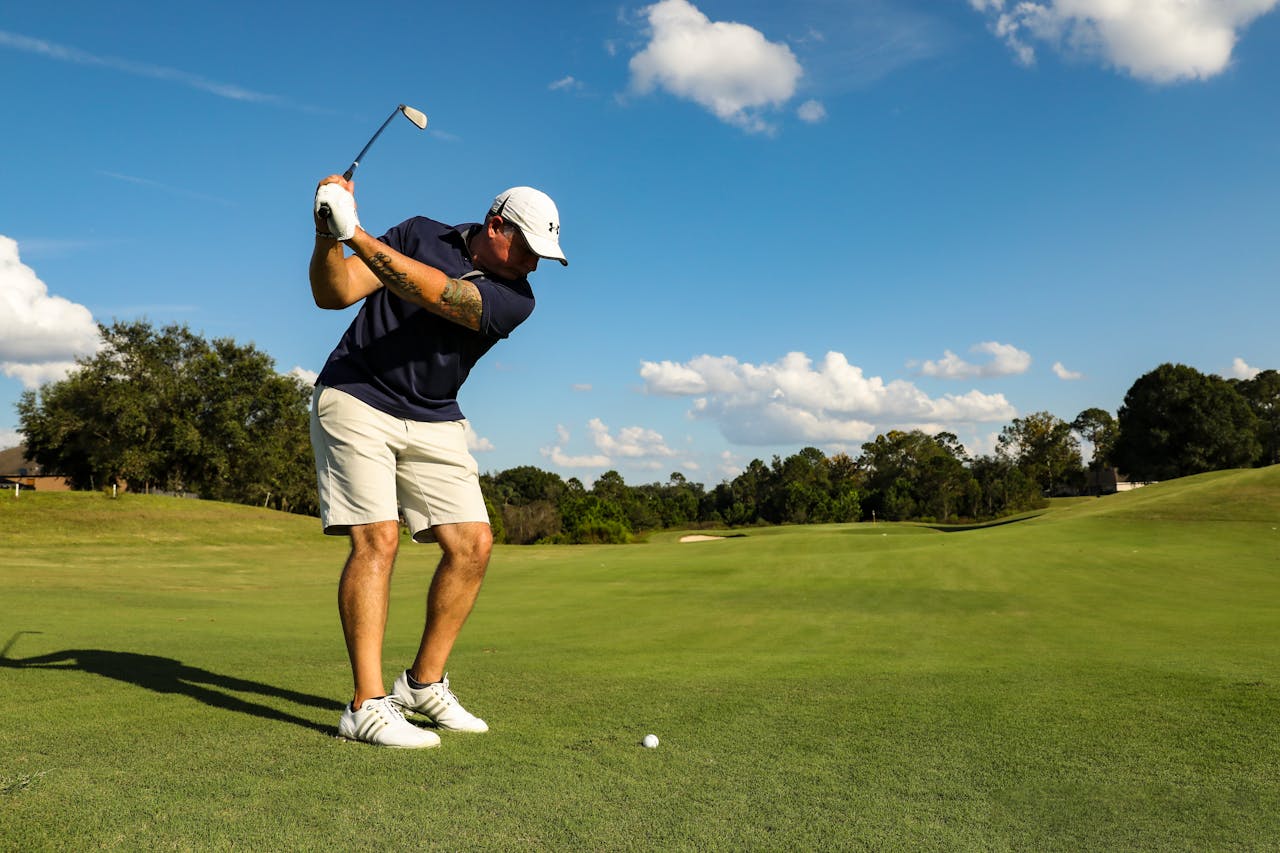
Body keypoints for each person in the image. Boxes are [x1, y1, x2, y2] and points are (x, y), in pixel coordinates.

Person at [308, 175, 566, 748]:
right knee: (378, 539)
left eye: (543, 256)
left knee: (472, 543)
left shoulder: (516, 298)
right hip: (355, 394)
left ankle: (422, 685)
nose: (533, 264)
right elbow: (335, 294)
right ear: (495, 226)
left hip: (434, 415)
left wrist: (357, 233)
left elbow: (440, 295)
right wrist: (329, 235)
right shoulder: (420, 232)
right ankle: (367, 705)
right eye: (526, 249)